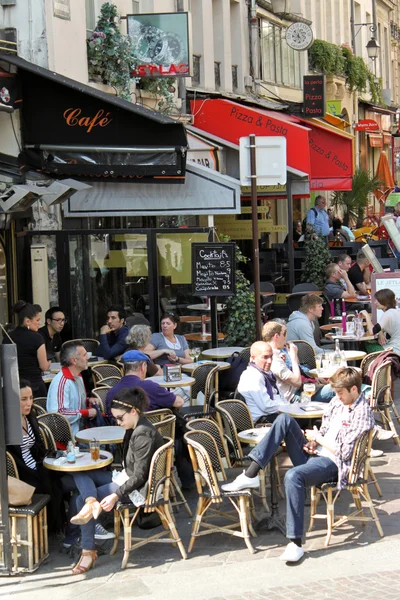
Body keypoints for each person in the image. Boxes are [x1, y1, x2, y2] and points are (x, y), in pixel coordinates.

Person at [222, 368, 375, 563]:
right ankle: (250, 475)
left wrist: (318, 438)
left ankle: (295, 544)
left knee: (293, 476)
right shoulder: (338, 402)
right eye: (336, 393)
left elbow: (345, 453)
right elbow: (327, 427)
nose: (337, 397)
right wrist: (313, 442)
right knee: (284, 420)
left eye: (341, 393)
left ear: (354, 389)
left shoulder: (362, 412)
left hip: (334, 465)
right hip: (318, 453)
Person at [69, 387, 164, 575]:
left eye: (120, 418)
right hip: (125, 478)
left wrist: (114, 496)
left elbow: (139, 476)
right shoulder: (135, 427)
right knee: (79, 472)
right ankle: (91, 504)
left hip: (136, 488)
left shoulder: (142, 433)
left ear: (134, 411)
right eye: (115, 419)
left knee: (78, 498)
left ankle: (88, 551)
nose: (118, 422)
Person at [7, 379, 67, 533]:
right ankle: (55, 527)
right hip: (20, 473)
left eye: (31, 398)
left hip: (37, 464)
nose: (29, 403)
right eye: (24, 399)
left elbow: (38, 446)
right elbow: (12, 460)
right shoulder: (7, 426)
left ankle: (59, 526)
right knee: (51, 484)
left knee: (58, 479)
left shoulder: (30, 416)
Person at [261, 321, 335, 403]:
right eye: (284, 333)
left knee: (339, 383)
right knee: (338, 389)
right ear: (276, 336)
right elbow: (297, 382)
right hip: (294, 398)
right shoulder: (273, 360)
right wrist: (293, 357)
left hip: (300, 390)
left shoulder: (275, 354)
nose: (286, 337)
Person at [106, 350, 184, 416]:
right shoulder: (150, 387)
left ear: (124, 368)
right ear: (143, 367)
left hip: (122, 433)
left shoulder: (111, 392)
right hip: (151, 432)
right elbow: (179, 402)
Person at [47, 341, 97, 436]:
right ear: (74, 360)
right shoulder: (62, 382)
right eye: (84, 355)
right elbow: (59, 413)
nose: (88, 357)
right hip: (70, 438)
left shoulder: (78, 376)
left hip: (81, 430)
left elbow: (74, 403)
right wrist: (86, 413)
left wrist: (88, 400)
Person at [3, 301, 50, 397]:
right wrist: (48, 363)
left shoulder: (8, 337)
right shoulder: (37, 338)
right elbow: (44, 366)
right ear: (27, 321)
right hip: (34, 386)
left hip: (14, 386)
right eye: (37, 320)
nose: (39, 323)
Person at [237, 341, 287, 424]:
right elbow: (266, 406)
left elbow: (279, 396)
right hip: (262, 421)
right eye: (265, 357)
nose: (270, 361)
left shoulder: (266, 373)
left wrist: (290, 407)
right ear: (253, 358)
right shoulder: (253, 376)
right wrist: (287, 408)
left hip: (274, 414)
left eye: (271, 357)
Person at [361, 288, 400, 355]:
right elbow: (380, 327)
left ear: (384, 301)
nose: (375, 302)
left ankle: (367, 364)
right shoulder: (395, 311)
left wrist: (367, 316)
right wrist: (380, 332)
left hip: (394, 350)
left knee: (366, 343)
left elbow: (372, 332)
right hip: (396, 348)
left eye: (377, 300)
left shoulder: (388, 314)